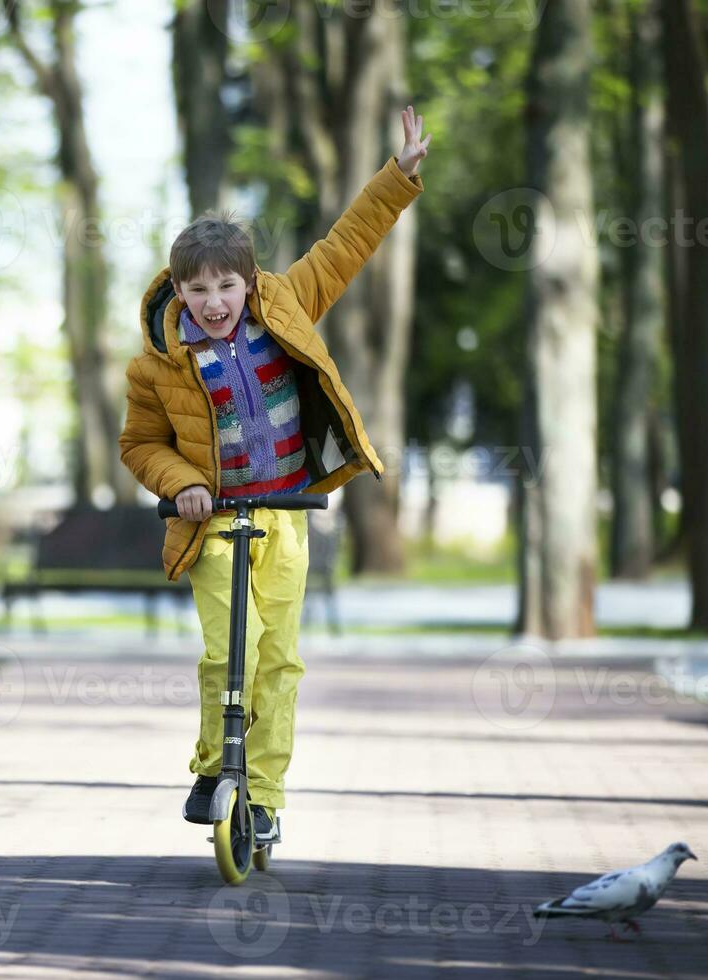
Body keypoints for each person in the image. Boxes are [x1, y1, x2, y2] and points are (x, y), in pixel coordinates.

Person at [118, 106, 432, 841]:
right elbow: (139, 447)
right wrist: (179, 483)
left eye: (226, 286)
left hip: (287, 515)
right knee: (232, 647)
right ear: (178, 290)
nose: (214, 302)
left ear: (247, 280)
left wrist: (398, 176)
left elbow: (345, 246)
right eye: (198, 291)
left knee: (280, 658)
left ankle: (262, 794)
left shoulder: (285, 304)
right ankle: (211, 762)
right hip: (212, 523)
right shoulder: (157, 365)